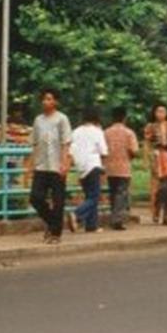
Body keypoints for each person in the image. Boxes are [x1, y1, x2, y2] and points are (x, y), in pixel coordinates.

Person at [27, 88, 73, 244]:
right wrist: (31, 165)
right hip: (41, 165)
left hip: (56, 165)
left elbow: (66, 143)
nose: (46, 102)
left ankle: (55, 233)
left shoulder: (62, 119)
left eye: (49, 99)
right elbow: (34, 143)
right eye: (44, 99)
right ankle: (53, 222)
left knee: (58, 200)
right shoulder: (38, 120)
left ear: (55, 101)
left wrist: (65, 163)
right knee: (35, 197)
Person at [70, 107, 108, 233]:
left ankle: (91, 225)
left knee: (89, 195)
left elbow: (71, 150)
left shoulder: (75, 132)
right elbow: (103, 151)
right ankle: (77, 213)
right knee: (94, 197)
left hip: (81, 166)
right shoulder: (97, 131)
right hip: (93, 165)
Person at [103, 106, 139, 231]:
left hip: (110, 167)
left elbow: (103, 150)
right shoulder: (129, 133)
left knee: (113, 193)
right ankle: (117, 219)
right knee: (122, 193)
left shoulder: (106, 132)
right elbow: (134, 150)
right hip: (124, 168)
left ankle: (114, 215)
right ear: (125, 118)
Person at [144, 103, 167, 225]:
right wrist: (147, 159)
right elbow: (147, 143)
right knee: (157, 187)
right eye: (158, 111)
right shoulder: (150, 126)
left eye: (163, 111)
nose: (160, 114)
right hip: (157, 156)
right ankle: (156, 212)